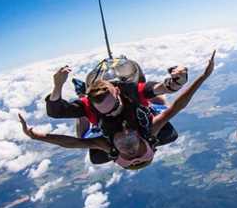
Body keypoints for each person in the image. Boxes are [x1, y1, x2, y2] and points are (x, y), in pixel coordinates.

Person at [19, 51, 215, 170]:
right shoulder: (149, 130)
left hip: (98, 112)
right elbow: (176, 107)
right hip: (134, 103)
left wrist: (38, 135)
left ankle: (83, 94)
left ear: (115, 152)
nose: (130, 147)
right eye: (136, 149)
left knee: (84, 126)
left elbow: (71, 142)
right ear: (146, 143)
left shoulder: (105, 145)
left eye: (127, 153)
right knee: (158, 100)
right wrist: (200, 77)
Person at [46, 58, 188, 164]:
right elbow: (160, 90)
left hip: (97, 103)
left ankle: (82, 93)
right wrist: (176, 82)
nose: (131, 151)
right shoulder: (133, 95)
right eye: (137, 152)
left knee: (84, 134)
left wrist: (58, 85)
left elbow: (56, 112)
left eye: (128, 155)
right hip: (130, 96)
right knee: (158, 103)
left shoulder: (92, 108)